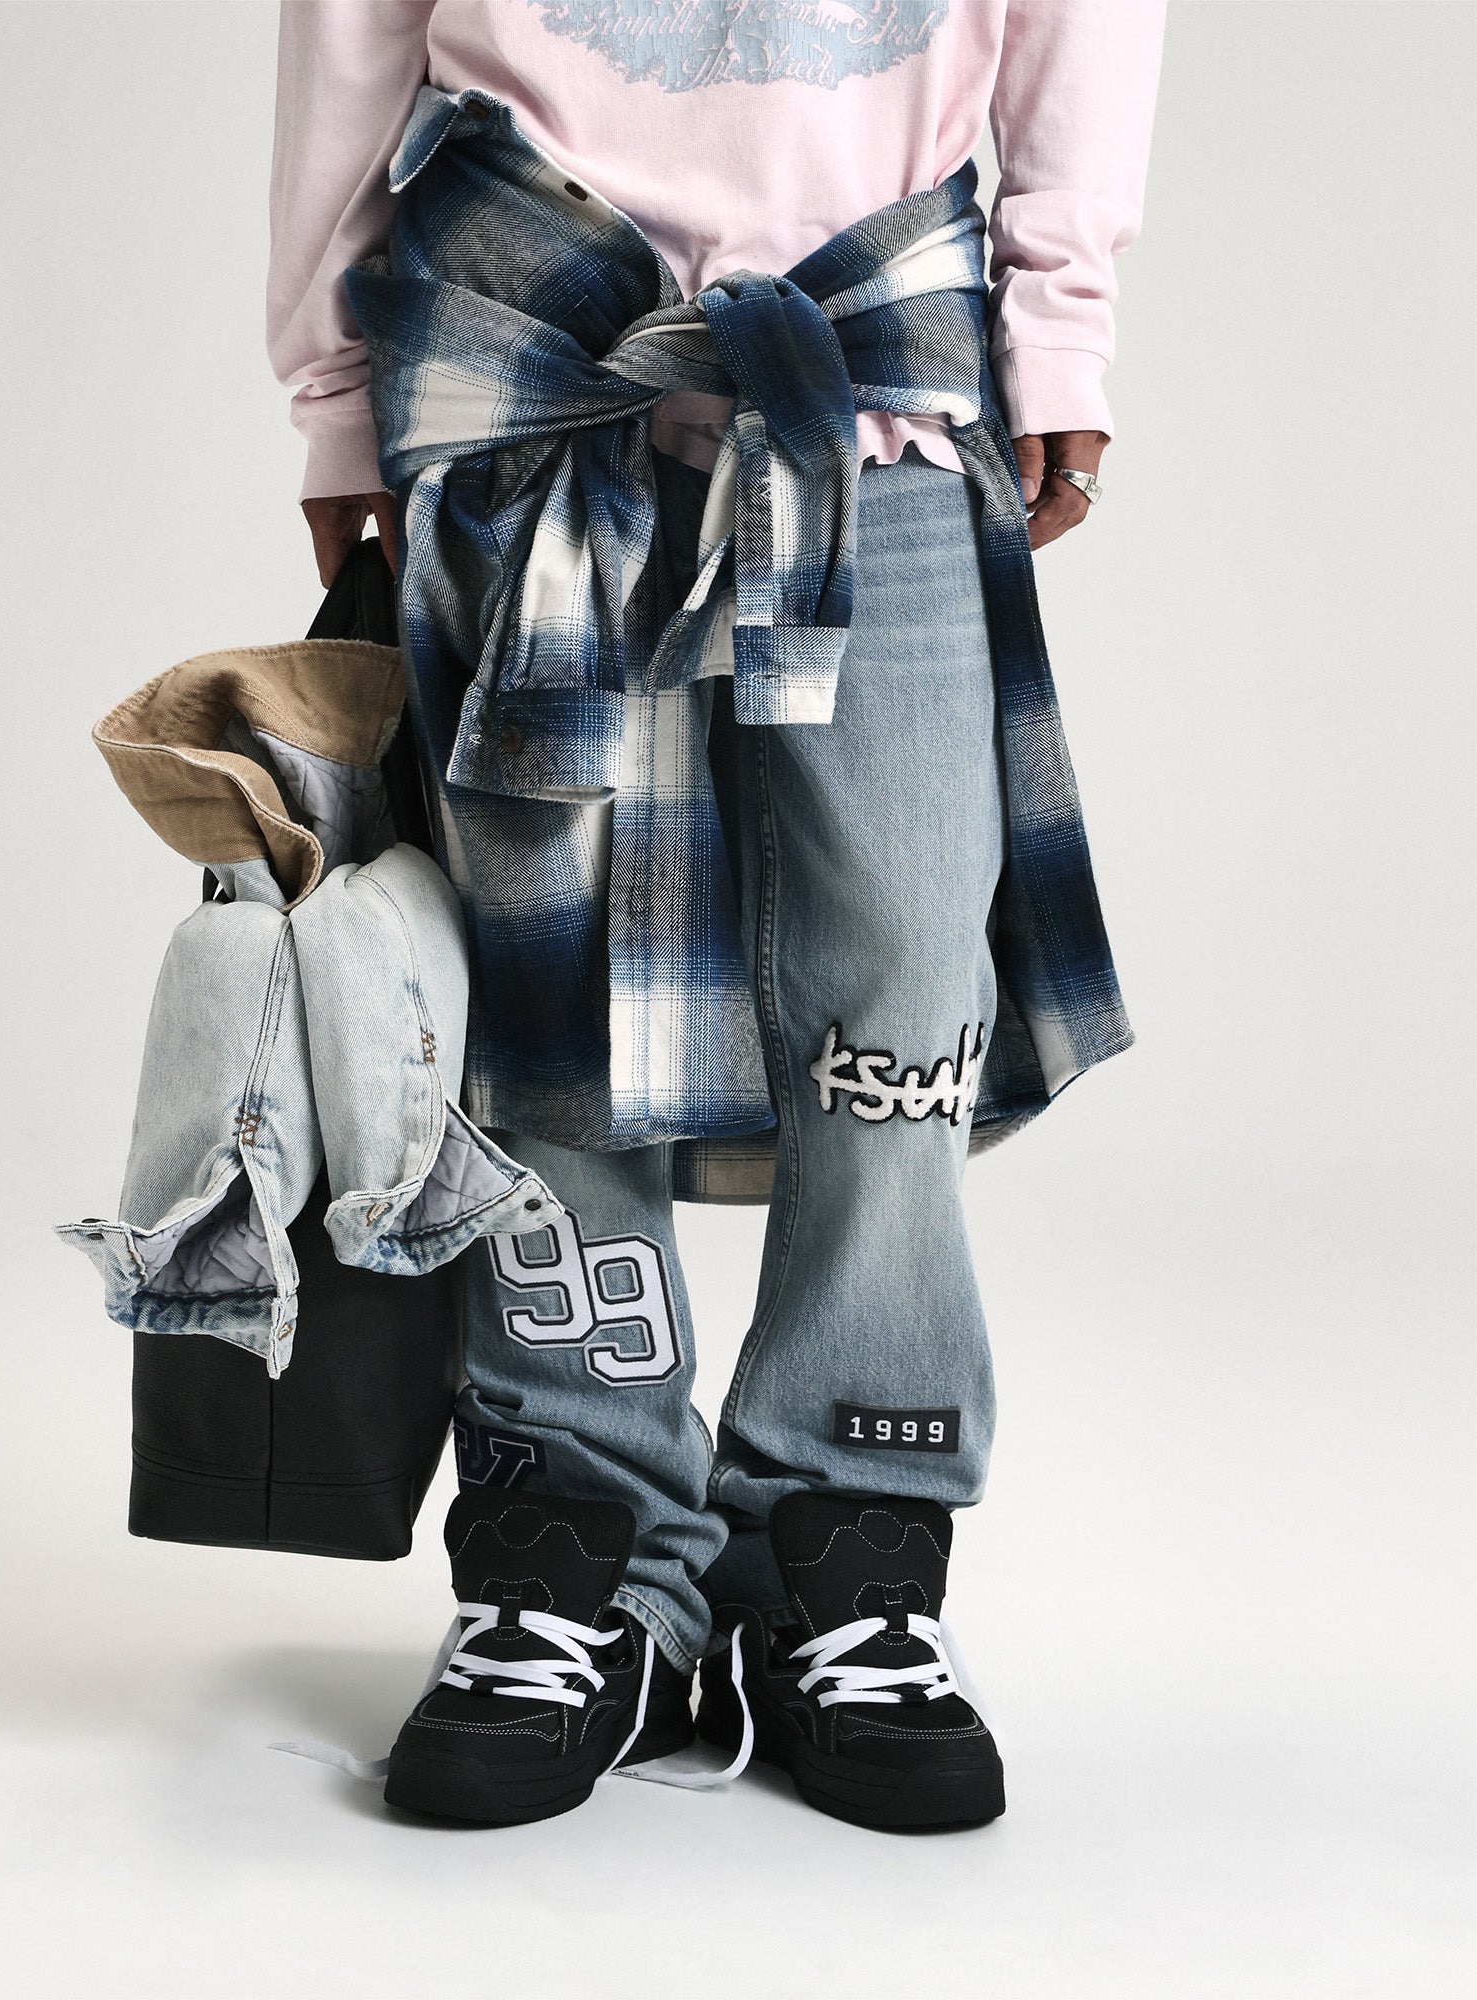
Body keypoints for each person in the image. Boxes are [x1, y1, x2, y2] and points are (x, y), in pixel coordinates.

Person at [267, 0, 1165, 1831]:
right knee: (542, 982)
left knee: (904, 971)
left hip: (878, 356)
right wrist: (331, 385)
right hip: (525, 345)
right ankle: (579, 1535)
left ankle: (845, 1536)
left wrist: (1060, 316)